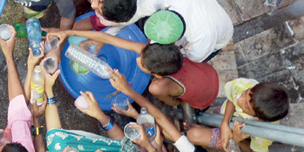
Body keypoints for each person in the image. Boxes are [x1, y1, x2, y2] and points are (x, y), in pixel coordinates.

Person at [54, 29, 219, 111]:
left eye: (142, 64)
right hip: (208, 73)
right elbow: (107, 38)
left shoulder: (158, 86)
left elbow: (172, 102)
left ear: (156, 75)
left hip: (204, 98)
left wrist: (125, 89)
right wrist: (68, 32)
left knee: (170, 96)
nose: (138, 58)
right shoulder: (153, 54)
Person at [188, 78, 289, 152]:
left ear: (258, 119)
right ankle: (206, 128)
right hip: (223, 115)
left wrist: (236, 139)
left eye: (246, 106)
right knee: (201, 129)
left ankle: (205, 131)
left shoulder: (263, 132)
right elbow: (232, 99)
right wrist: (225, 123)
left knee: (193, 135)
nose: (239, 99)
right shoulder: (247, 85)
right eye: (245, 93)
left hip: (233, 137)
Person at [129, 0, 235, 63]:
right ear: (165, 9)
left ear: (176, 42)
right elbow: (140, 8)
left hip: (219, 31)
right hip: (206, 6)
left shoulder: (201, 41)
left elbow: (196, 58)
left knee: (175, 64)